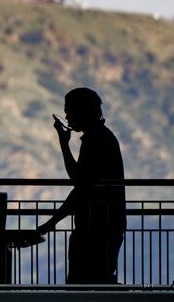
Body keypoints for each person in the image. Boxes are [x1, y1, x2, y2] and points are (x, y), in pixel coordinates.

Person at [37, 87, 126, 284]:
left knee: (82, 285)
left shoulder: (95, 141)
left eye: (69, 111)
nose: (67, 117)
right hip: (105, 226)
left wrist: (63, 144)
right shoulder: (102, 137)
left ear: (82, 111)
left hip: (96, 229)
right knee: (97, 281)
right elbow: (82, 187)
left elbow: (80, 183)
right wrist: (52, 222)